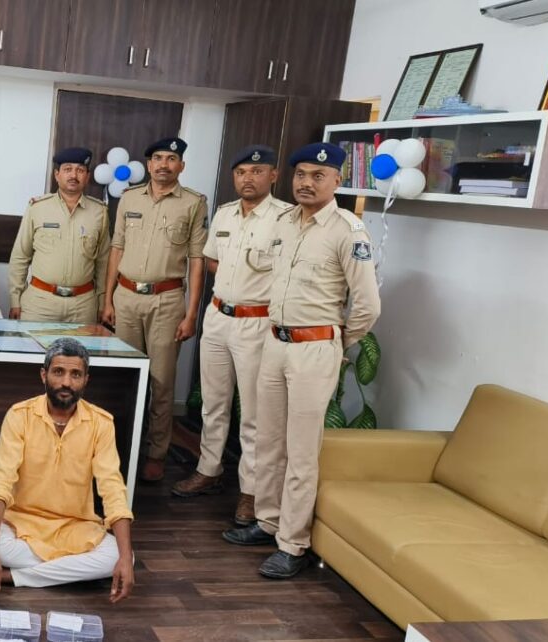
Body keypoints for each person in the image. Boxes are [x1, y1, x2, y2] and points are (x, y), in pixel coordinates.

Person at [222, 142, 380, 579]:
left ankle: (293, 544)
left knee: (302, 451)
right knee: (269, 441)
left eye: (318, 176)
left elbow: (367, 305)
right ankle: (268, 521)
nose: (307, 183)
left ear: (337, 181)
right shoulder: (284, 222)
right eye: (301, 174)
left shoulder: (349, 231)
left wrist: (337, 343)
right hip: (275, 342)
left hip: (314, 347)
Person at [172, 145, 291, 528]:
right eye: (241, 172)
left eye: (257, 171)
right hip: (218, 317)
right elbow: (211, 259)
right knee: (213, 403)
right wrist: (235, 277)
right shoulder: (224, 213)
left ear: (273, 175)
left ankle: (252, 491)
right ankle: (208, 470)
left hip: (256, 323)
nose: (248, 178)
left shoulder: (286, 218)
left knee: (253, 413)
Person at [0, 338, 135, 600]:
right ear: (43, 375)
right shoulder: (20, 415)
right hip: (22, 524)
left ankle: (14, 576)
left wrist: (125, 559)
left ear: (86, 380)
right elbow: (0, 482)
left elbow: (113, 490)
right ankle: (58, 571)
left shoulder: (101, 423)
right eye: (58, 372)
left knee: (122, 556)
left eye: (75, 374)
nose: (66, 382)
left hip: (76, 527)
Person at [102, 137, 208, 483]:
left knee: (161, 382)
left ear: (181, 166)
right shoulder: (129, 198)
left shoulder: (193, 203)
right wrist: (107, 299)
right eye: (158, 158)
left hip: (167, 301)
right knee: (123, 377)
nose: (164, 164)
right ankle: (117, 446)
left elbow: (196, 261)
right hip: (126, 298)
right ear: (148, 165)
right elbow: (116, 249)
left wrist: (191, 314)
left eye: (171, 159)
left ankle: (156, 452)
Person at [7, 147, 110, 323]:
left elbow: (103, 262)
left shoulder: (99, 212)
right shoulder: (37, 208)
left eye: (80, 170)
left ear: (87, 176)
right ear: (57, 175)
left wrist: (102, 303)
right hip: (40, 302)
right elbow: (20, 256)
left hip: (83, 305)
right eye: (67, 169)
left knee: (83, 343)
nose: (73, 175)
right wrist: (15, 299)